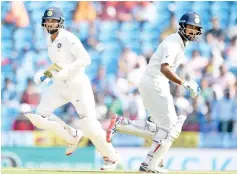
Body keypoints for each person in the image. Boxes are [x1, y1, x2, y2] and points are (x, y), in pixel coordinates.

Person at [106, 12, 203, 173]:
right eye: (190, 27)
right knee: (171, 129)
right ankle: (149, 166)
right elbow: (164, 68)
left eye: (196, 29)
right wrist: (184, 83)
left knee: (160, 130)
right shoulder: (174, 42)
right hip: (155, 83)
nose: (193, 32)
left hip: (154, 83)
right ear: (182, 27)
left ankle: (121, 124)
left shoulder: (180, 43)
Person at [25, 7, 120, 170]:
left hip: (77, 84)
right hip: (59, 85)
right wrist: (45, 74)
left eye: (53, 21)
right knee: (40, 117)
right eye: (47, 21)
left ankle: (111, 158)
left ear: (60, 22)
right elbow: (57, 64)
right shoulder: (49, 40)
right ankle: (72, 135)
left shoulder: (69, 38)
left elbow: (86, 59)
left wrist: (68, 69)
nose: (50, 23)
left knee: (90, 126)